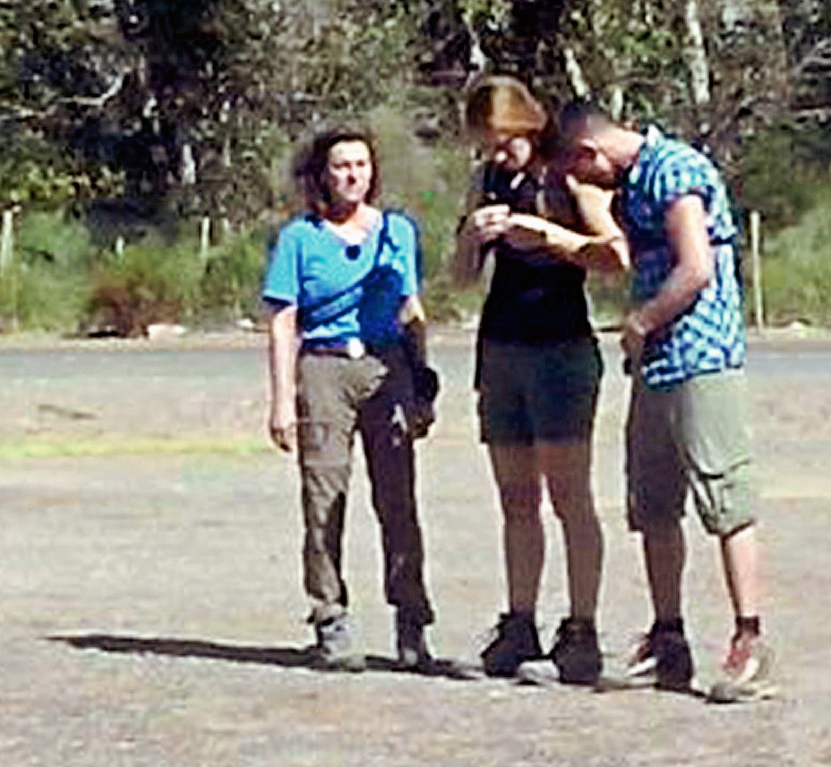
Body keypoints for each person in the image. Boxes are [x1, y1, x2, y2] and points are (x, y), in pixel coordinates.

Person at [557, 102, 773, 702]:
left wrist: (642, 320)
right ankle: (668, 637)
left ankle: (750, 637)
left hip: (701, 355)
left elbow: (695, 267)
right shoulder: (631, 183)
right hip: (656, 364)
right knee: (652, 504)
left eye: (582, 170)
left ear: (590, 151)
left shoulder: (675, 169)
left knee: (725, 497)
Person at [453, 77, 629, 685]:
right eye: (488, 146)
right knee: (516, 498)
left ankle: (581, 628)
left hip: (561, 348)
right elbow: (460, 279)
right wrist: (472, 238)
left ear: (528, 127)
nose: (499, 155)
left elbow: (615, 255)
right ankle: (519, 620)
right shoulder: (487, 181)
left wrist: (554, 238)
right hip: (502, 347)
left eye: (506, 142)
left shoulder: (568, 176)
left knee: (569, 496)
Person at [263, 128, 437, 672]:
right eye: (341, 166)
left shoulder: (397, 232)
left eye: (361, 164)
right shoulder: (299, 238)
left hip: (386, 365)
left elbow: (411, 308)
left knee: (398, 499)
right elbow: (283, 320)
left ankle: (411, 620)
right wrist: (282, 400)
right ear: (322, 174)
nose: (352, 175)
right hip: (324, 366)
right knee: (324, 497)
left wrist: (422, 383)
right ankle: (329, 616)